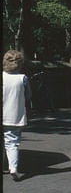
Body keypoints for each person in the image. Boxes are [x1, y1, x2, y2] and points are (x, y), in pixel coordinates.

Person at [3, 50, 32, 181]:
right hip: (14, 117)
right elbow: (28, 97)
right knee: (12, 144)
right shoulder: (23, 79)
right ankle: (13, 169)